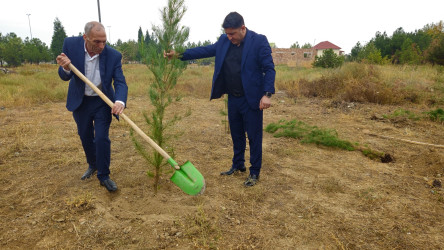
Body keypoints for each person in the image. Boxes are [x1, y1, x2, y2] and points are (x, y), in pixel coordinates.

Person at [166, 12, 275, 186]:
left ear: (243, 28)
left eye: (232, 33)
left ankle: (254, 173)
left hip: (252, 99)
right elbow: (204, 50)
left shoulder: (258, 41)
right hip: (233, 98)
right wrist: (179, 54)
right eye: (227, 33)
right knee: (236, 134)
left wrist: (267, 94)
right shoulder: (224, 41)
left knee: (254, 137)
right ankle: (238, 165)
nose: (229, 37)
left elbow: (269, 69)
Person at [56, 21, 128, 192]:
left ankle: (104, 175)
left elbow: (120, 81)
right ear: (85, 38)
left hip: (102, 101)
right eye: (97, 42)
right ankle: (93, 164)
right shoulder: (71, 45)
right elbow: (64, 76)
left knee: (102, 137)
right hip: (81, 101)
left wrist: (120, 101)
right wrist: (66, 68)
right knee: (85, 135)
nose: (102, 45)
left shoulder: (113, 55)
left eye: (104, 41)